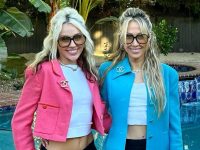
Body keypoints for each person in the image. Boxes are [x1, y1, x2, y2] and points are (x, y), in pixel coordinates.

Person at [12, 7, 111, 150]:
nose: (73, 45)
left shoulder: (89, 72)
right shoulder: (42, 71)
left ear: (84, 38)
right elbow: (20, 122)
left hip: (90, 146)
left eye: (77, 37)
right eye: (65, 39)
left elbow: (101, 111)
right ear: (55, 42)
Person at [99, 7, 183, 150]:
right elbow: (99, 109)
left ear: (149, 39)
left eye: (141, 37)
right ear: (122, 39)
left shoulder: (168, 75)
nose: (135, 43)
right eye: (129, 36)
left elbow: (175, 126)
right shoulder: (108, 72)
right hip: (119, 146)